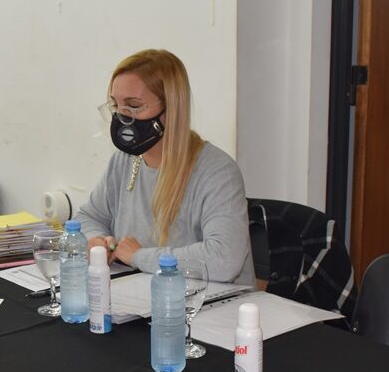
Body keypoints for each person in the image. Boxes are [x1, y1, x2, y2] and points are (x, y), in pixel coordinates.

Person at [76, 49, 255, 285]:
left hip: (209, 302)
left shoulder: (217, 172)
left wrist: (139, 257)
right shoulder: (125, 160)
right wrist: (97, 241)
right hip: (143, 294)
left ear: (171, 110)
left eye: (134, 106)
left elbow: (224, 259)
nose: (122, 117)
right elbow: (88, 217)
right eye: (115, 105)